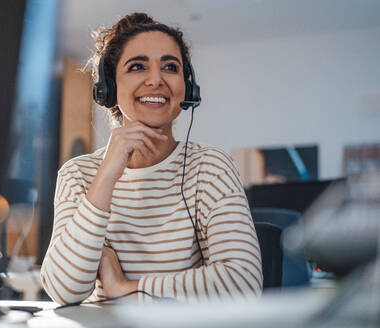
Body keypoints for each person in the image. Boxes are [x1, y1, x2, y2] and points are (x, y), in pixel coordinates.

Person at [41, 12, 262, 305]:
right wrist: (107, 174)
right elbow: (64, 290)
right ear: (109, 89)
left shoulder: (211, 167)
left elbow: (242, 284)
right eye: (137, 67)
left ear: (187, 87)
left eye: (170, 67)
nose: (156, 80)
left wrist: (124, 287)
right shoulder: (77, 174)